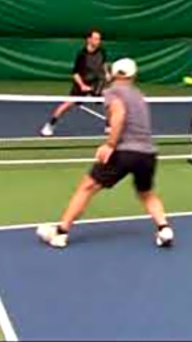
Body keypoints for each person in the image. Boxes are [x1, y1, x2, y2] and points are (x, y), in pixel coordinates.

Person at [37, 57, 174, 248]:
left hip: (125, 152)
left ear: (115, 74)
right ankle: (164, 229)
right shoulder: (139, 94)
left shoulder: (113, 92)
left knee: (87, 187)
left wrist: (110, 144)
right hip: (148, 154)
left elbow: (119, 115)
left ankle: (60, 233)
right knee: (146, 193)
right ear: (133, 75)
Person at [40, 28, 110, 137]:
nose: (98, 41)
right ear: (89, 40)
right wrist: (82, 86)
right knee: (67, 104)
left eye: (99, 39)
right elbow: (75, 73)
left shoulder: (102, 51)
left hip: (97, 82)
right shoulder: (82, 55)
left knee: (108, 103)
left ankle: (108, 126)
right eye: (95, 39)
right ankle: (50, 125)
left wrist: (107, 73)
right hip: (82, 83)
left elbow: (104, 63)